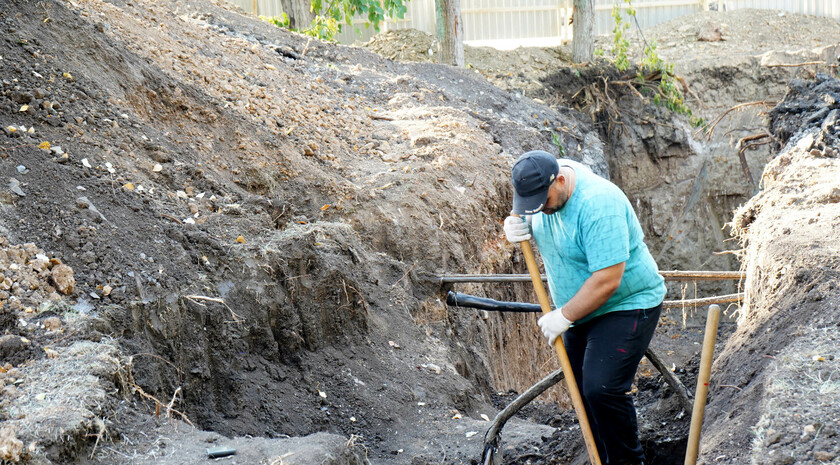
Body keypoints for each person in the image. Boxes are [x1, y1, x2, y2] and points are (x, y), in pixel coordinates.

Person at [503, 150, 666, 465]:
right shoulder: (541, 185)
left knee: (601, 388)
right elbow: (519, 212)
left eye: (542, 202)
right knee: (582, 393)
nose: (539, 209)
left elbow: (607, 280)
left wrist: (563, 316)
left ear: (561, 181)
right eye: (530, 203)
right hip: (579, 309)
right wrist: (512, 223)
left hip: (626, 303)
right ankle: (602, 460)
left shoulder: (599, 204)